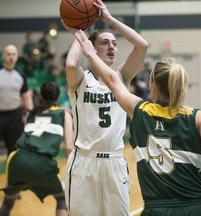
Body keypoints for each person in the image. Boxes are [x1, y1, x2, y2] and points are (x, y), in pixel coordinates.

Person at [71, 29, 201, 216]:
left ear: (152, 85)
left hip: (156, 209)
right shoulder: (197, 117)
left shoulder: (141, 112)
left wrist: (90, 52)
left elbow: (111, 80)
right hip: (196, 208)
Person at [62, 0, 148, 215]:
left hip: (114, 162)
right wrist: (79, 31)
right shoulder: (80, 80)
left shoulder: (121, 78)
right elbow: (72, 64)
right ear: (92, 47)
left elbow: (142, 46)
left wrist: (109, 20)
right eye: (105, 42)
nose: (112, 46)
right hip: (84, 162)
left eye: (114, 43)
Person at [0, 81, 73, 216]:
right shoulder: (64, 114)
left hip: (18, 159)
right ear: (58, 97)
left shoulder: (30, 114)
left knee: (8, 203)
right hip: (41, 163)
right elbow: (69, 147)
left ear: (41, 96)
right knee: (62, 198)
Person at [0, 44, 34, 202]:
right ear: (3, 55)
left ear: (17, 56)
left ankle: (14, 189)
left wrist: (30, 114)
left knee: (14, 156)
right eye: (8, 53)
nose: (10, 56)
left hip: (14, 117)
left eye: (13, 54)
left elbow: (26, 97)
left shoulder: (21, 75)